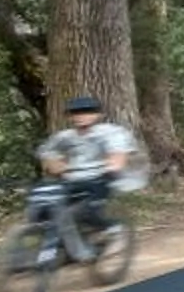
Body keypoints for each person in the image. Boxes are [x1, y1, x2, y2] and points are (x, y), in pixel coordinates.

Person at [37, 95, 138, 246]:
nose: (81, 116)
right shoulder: (64, 136)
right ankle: (65, 242)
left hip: (100, 178)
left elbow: (118, 155)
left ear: (97, 115)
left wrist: (112, 166)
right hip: (72, 180)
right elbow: (46, 152)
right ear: (70, 116)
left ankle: (114, 228)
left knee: (88, 211)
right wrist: (54, 165)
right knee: (48, 207)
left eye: (86, 111)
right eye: (76, 112)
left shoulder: (109, 133)